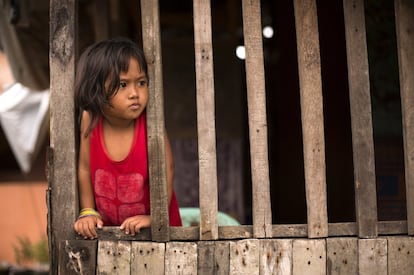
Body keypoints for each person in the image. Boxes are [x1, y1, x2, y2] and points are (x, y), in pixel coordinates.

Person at [73, 38, 182, 239]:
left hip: (158, 234)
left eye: (141, 83)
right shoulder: (91, 119)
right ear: (96, 89)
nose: (135, 94)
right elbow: (84, 168)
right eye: (123, 84)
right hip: (111, 234)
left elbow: (168, 168)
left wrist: (154, 217)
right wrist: (88, 212)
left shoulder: (151, 121)